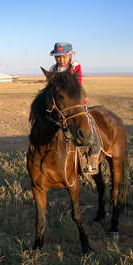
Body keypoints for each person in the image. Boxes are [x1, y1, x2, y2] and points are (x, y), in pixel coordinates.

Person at [49, 42, 100, 174]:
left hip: (76, 101)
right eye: (57, 57)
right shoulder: (53, 69)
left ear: (70, 55)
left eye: (63, 56)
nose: (60, 59)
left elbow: (77, 85)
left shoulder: (75, 66)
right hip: (62, 104)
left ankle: (94, 149)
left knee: (87, 122)